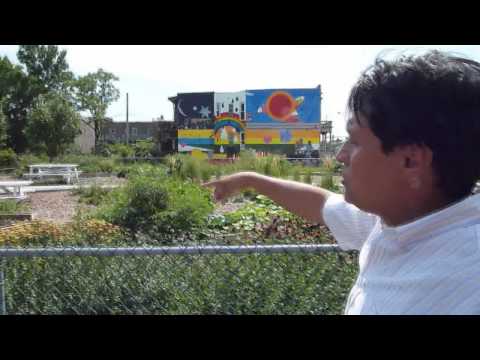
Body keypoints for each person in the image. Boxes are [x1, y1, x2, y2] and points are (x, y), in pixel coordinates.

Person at [204, 50, 480, 315]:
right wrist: (251, 179)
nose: (340, 155)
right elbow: (322, 203)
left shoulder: (469, 283)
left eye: (354, 141)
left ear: (411, 161)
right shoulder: (397, 222)